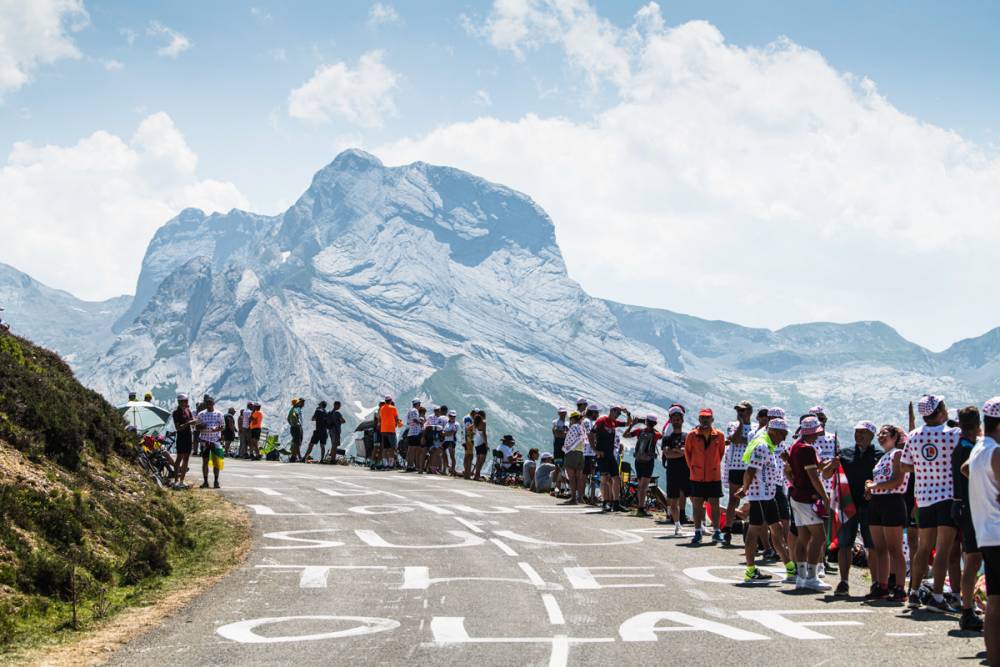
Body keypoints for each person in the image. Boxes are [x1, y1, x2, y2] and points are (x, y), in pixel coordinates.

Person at [900, 394, 962, 612]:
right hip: (947, 497)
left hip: (924, 498)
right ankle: (937, 595)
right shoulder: (953, 434)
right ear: (941, 411)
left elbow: (905, 465)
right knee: (944, 550)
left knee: (923, 548)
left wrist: (925, 467)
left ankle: (914, 592)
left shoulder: (914, 436)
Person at [736, 418, 794, 583]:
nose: (784, 438)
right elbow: (750, 470)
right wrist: (745, 489)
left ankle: (790, 567)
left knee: (777, 528)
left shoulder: (769, 444)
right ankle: (750, 570)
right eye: (782, 434)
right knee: (754, 531)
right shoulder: (762, 445)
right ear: (773, 431)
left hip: (768, 494)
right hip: (759, 495)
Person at [965, 397, 1000, 665]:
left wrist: (984, 490)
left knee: (994, 604)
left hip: (987, 532)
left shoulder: (979, 447)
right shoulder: (996, 452)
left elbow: (967, 469)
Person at [833, 420, 883, 596]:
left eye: (863, 433)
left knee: (872, 546)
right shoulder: (844, 454)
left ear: (871, 436)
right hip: (848, 505)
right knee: (845, 544)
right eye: (857, 432)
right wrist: (831, 465)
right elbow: (827, 473)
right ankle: (843, 582)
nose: (859, 436)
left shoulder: (880, 454)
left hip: (871, 506)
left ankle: (876, 583)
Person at [865, 424, 910, 602]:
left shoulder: (898, 454)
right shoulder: (883, 457)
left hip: (892, 501)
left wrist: (875, 486)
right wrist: (870, 488)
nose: (881, 436)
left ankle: (900, 588)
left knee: (894, 549)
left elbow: (898, 480)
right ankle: (881, 585)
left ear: (895, 437)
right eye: (879, 434)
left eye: (885, 434)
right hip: (877, 502)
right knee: (880, 548)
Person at [787, 415, 832, 591]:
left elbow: (791, 471)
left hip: (796, 495)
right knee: (819, 536)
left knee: (803, 537)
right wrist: (825, 497)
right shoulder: (807, 449)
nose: (817, 436)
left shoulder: (795, 447)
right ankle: (812, 577)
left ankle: (801, 577)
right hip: (807, 498)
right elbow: (814, 477)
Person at [953, 406, 985, 631]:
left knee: (971, 559)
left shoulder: (963, 446)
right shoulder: (969, 449)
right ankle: (967, 610)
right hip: (972, 508)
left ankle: (967, 608)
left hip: (963, 507)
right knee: (973, 560)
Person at [684, 408, 726, 545]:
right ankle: (697, 531)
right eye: (702, 418)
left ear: (712, 419)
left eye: (707, 418)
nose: (705, 420)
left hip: (714, 476)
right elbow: (688, 455)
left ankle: (716, 532)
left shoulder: (719, 435)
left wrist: (712, 466)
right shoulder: (692, 436)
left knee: (714, 504)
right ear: (699, 419)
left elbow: (720, 454)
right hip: (697, 476)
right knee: (697, 504)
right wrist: (694, 469)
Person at [724, 401, 754, 546]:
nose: (740, 413)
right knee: (733, 499)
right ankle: (728, 529)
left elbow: (753, 443)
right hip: (735, 466)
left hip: (750, 467)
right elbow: (735, 439)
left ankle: (751, 531)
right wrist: (741, 425)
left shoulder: (756, 427)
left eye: (743, 411)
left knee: (754, 499)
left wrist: (744, 440)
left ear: (750, 412)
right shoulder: (732, 425)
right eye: (738, 411)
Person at [623, 413, 661, 517]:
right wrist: (652, 428)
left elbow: (625, 435)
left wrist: (632, 425)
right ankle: (641, 508)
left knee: (640, 485)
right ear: (655, 423)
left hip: (638, 461)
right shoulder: (655, 434)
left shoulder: (639, 431)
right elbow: (661, 435)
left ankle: (640, 507)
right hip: (649, 461)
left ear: (646, 422)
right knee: (644, 486)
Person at [661, 405, 690, 534]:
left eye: (678, 419)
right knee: (673, 499)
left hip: (686, 470)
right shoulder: (667, 438)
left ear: (682, 420)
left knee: (693, 497)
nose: (676, 421)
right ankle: (677, 523)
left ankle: (700, 524)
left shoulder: (687, 436)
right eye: (674, 419)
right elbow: (667, 454)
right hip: (672, 470)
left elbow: (688, 452)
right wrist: (680, 451)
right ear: (671, 421)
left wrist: (675, 450)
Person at [595, 407, 628, 512]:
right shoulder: (601, 421)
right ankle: (605, 503)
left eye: (619, 414)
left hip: (610, 454)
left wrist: (627, 413)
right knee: (604, 478)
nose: (618, 415)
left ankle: (616, 503)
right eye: (617, 413)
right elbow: (590, 434)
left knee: (616, 478)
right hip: (602, 454)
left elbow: (628, 423)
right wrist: (595, 450)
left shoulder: (614, 422)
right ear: (611, 411)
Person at [196, 395, 225, 489]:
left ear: (213, 404)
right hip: (205, 441)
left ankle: (216, 481)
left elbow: (223, 426)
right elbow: (196, 427)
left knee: (216, 462)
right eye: (207, 404)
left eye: (210, 403)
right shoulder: (201, 414)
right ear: (205, 404)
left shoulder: (219, 414)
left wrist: (217, 429)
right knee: (205, 461)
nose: (209, 405)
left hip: (215, 440)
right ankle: (205, 481)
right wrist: (202, 426)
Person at [171, 394, 196, 488]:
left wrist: (195, 421)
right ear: (180, 402)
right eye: (185, 401)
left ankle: (182, 481)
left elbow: (192, 420)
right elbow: (178, 428)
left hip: (188, 436)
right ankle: (176, 480)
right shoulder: (176, 412)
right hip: (181, 436)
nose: (186, 403)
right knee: (179, 458)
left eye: (187, 401)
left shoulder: (188, 410)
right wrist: (188, 423)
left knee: (186, 458)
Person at [562, 412, 587, 504]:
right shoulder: (582, 428)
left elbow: (569, 441)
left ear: (573, 419)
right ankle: (580, 497)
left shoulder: (574, 427)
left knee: (571, 477)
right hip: (581, 453)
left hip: (572, 453)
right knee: (579, 478)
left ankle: (573, 498)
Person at [582, 405, 599, 503]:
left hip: (591, 451)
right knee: (585, 474)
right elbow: (590, 434)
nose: (598, 414)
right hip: (588, 451)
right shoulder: (587, 421)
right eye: (597, 412)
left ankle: (592, 496)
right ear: (593, 413)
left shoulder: (590, 421)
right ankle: (582, 495)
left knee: (592, 475)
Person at [378, 397, 401, 469]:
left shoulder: (381, 408)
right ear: (391, 401)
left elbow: (380, 418)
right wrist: (399, 423)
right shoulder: (393, 408)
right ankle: (391, 465)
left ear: (385, 401)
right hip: (391, 430)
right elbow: (396, 417)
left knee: (385, 448)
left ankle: (385, 464)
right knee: (391, 448)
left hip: (383, 430)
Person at [404, 399, 424, 472]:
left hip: (411, 432)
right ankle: (413, 465)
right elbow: (415, 420)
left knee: (411, 449)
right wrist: (421, 422)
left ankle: (410, 465)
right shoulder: (414, 410)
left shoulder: (410, 411)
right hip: (415, 432)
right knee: (415, 450)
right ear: (418, 404)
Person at [552, 407, 569, 488]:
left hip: (565, 446)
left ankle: (562, 489)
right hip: (558, 446)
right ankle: (553, 488)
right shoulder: (555, 422)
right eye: (561, 412)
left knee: (564, 468)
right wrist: (564, 433)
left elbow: (565, 434)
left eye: (564, 412)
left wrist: (561, 433)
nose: (563, 414)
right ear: (558, 413)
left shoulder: (568, 422)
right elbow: (556, 433)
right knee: (557, 467)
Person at [472, 411, 489, 480]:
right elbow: (484, 434)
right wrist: (486, 444)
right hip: (482, 443)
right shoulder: (483, 422)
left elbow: (474, 433)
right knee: (482, 460)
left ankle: (477, 475)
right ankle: (477, 475)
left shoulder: (475, 422)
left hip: (476, 443)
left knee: (478, 460)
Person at [442, 410, 459, 475]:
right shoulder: (447, 423)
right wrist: (446, 433)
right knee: (443, 454)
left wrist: (445, 433)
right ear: (449, 416)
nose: (452, 417)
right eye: (451, 416)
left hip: (452, 441)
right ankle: (444, 470)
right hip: (446, 440)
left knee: (452, 456)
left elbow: (452, 433)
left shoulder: (456, 424)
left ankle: (452, 470)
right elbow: (443, 433)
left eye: (454, 416)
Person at [287, 398, 304, 462]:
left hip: (293, 427)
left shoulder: (291, 409)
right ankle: (296, 457)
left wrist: (292, 424)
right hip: (296, 428)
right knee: (297, 443)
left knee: (296, 443)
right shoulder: (295, 409)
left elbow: (288, 418)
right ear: (296, 403)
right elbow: (294, 415)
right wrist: (296, 422)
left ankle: (295, 457)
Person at [463, 410, 476, 478]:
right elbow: (468, 428)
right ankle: (467, 473)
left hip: (467, 438)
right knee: (469, 456)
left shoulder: (468, 418)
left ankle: (466, 472)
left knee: (467, 455)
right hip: (468, 439)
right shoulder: (468, 418)